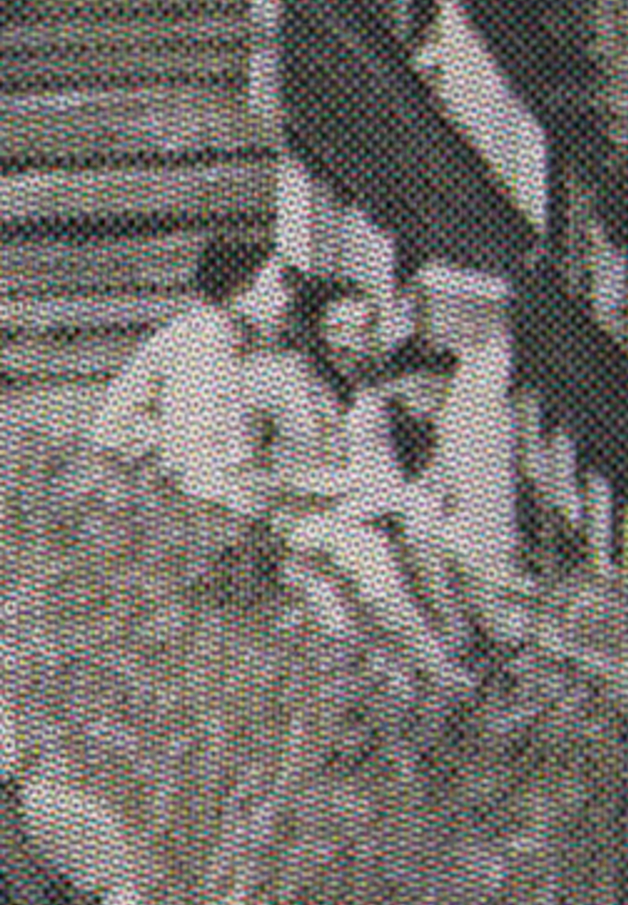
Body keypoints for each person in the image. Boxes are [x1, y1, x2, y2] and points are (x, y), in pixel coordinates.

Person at [269, 287, 473, 693]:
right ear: (314, 332)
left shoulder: (374, 394)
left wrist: (422, 487)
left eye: (364, 328)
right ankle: (441, 670)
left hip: (366, 507)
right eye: (338, 329)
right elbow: (255, 470)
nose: (352, 342)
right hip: (305, 514)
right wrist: (319, 489)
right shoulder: (279, 383)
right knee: (372, 558)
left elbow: (393, 469)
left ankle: (460, 640)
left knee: (429, 528)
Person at [88, 239, 297, 518]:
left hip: (249, 500)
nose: (286, 299)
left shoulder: (267, 348)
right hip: (195, 505)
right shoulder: (191, 342)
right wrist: (165, 453)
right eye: (275, 286)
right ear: (239, 290)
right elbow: (112, 423)